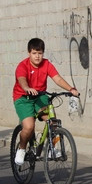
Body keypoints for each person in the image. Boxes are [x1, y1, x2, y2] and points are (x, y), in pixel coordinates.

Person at [12, 38, 79, 166]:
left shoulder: (46, 64)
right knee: (29, 127)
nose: (37, 56)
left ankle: (51, 149)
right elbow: (22, 79)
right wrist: (27, 88)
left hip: (40, 96)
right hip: (23, 98)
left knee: (52, 121)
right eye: (34, 53)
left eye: (40, 53)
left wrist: (71, 89)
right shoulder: (22, 66)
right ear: (29, 53)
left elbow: (57, 78)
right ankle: (21, 149)